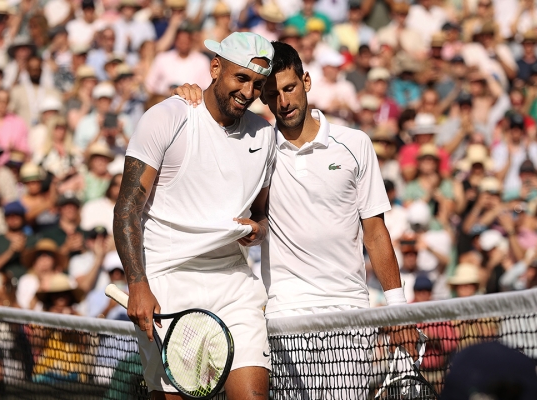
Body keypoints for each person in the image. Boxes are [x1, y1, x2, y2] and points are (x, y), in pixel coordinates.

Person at [175, 41, 418, 398]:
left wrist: (398, 311)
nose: (283, 102)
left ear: (306, 81)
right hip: (285, 313)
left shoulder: (356, 143)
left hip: (349, 312)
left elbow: (376, 234)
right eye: (272, 94)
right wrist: (189, 96)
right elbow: (211, 129)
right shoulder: (258, 145)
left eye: (289, 88)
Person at [113, 32, 276, 399]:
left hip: (236, 286)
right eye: (242, 78)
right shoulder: (167, 118)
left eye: (258, 84)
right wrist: (138, 284)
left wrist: (258, 230)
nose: (248, 92)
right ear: (215, 67)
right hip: (169, 285)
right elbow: (127, 209)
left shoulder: (265, 136)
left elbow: (263, 216)